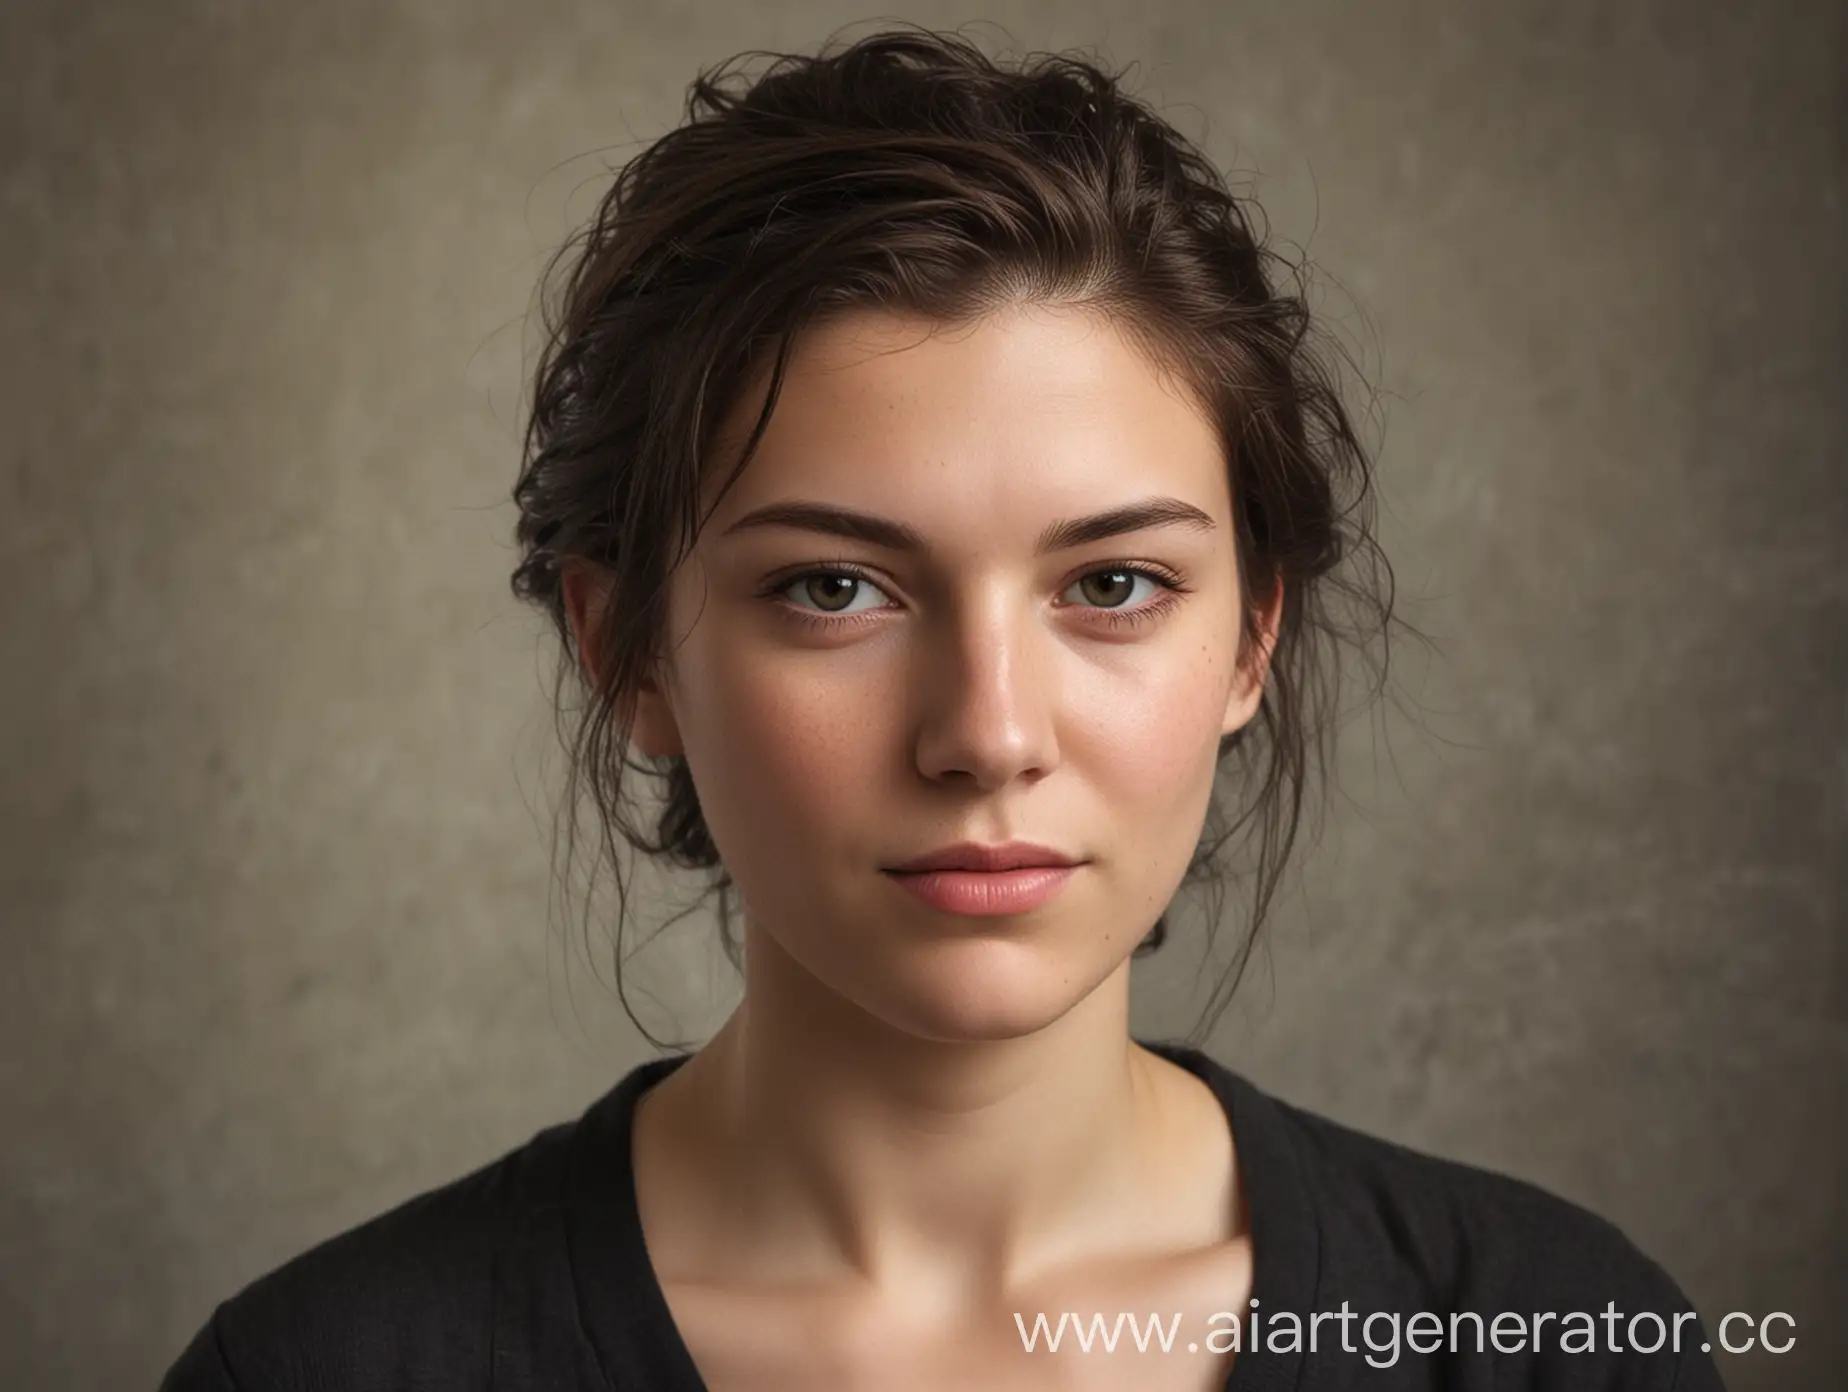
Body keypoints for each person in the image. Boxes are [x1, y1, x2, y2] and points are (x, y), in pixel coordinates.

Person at [160, 24, 1728, 1392]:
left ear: (1253, 640)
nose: (987, 732)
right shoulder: (323, 1370)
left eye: (1111, 585)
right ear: (626, 648)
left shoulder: (1546, 1342)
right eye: (836, 588)